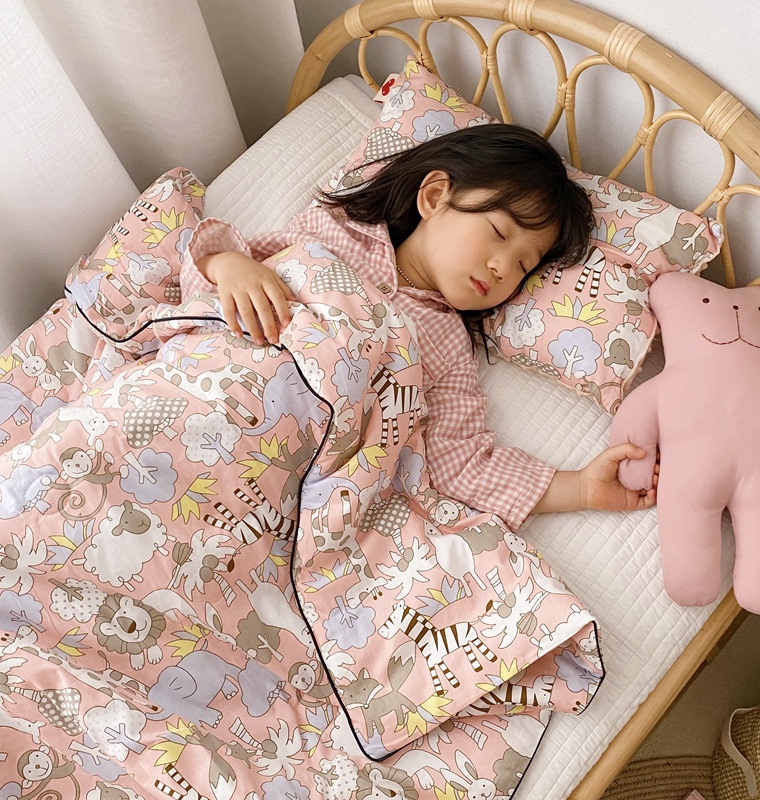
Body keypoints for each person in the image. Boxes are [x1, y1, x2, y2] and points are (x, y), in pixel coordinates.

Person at [180, 124, 659, 531]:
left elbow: (458, 462)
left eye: (522, 265)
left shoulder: (448, 344)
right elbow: (213, 276)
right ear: (433, 197)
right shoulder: (334, 231)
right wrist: (227, 265)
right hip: (208, 389)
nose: (501, 268)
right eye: (498, 233)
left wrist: (580, 487)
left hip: (271, 466)